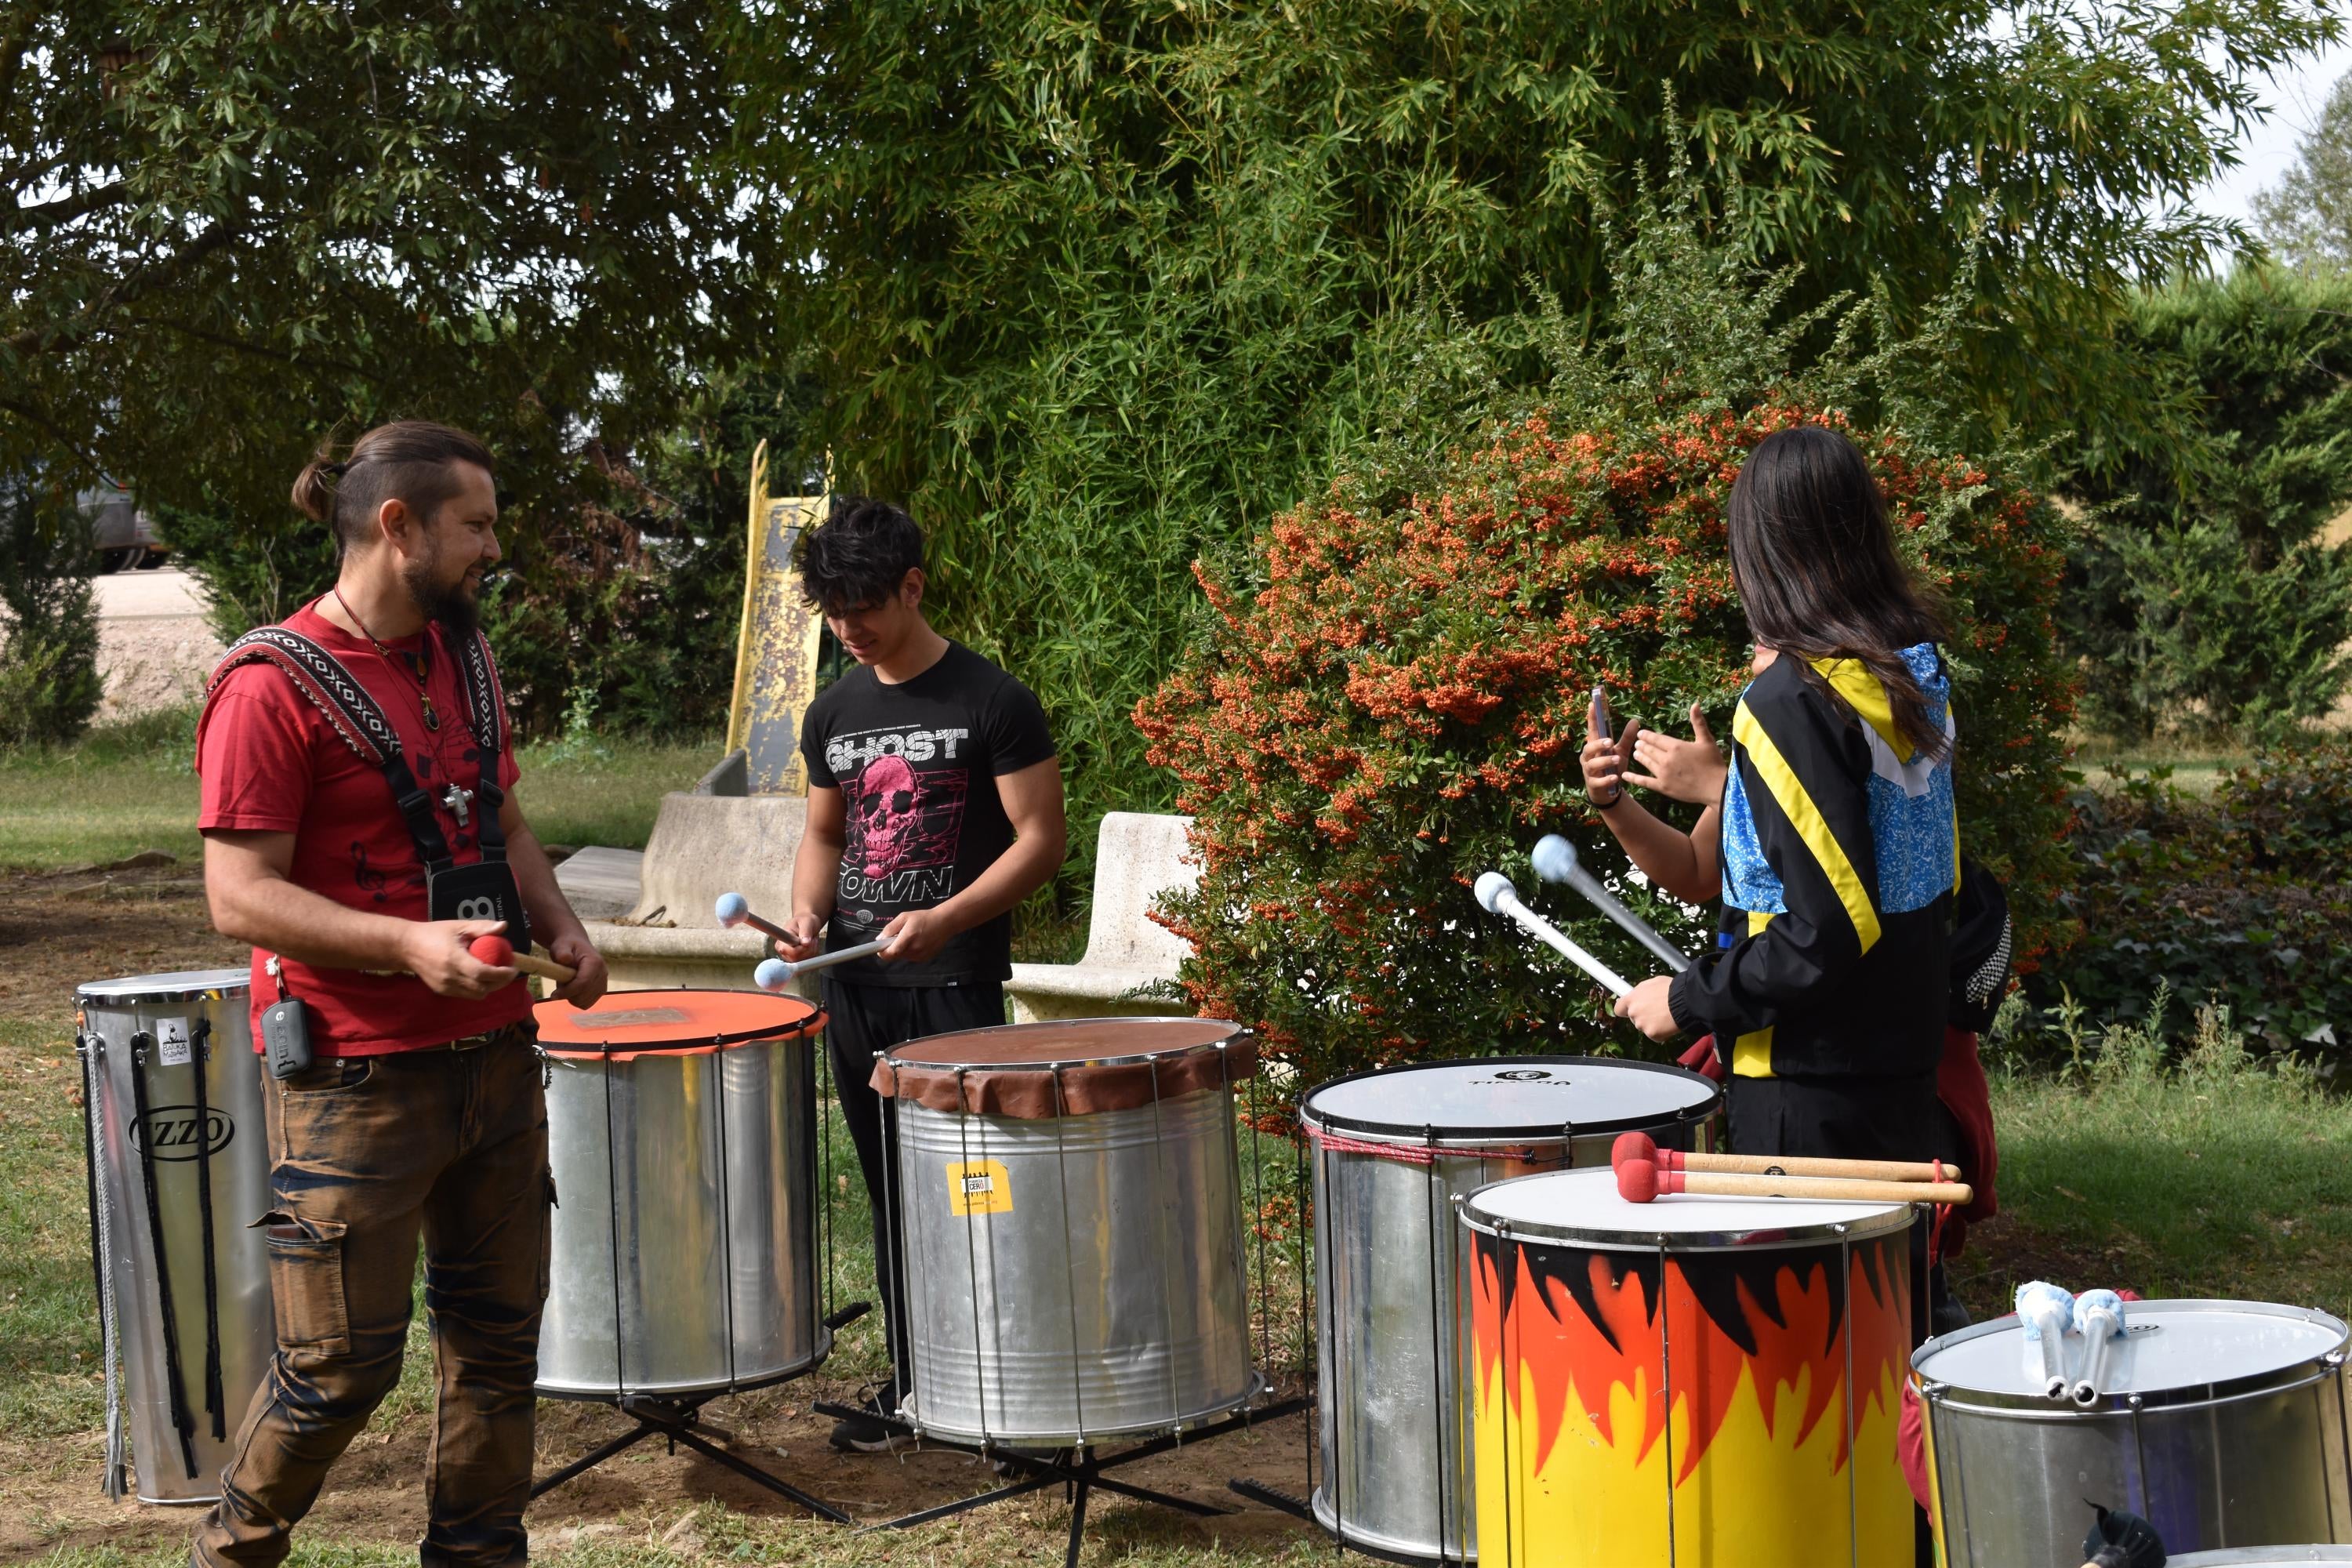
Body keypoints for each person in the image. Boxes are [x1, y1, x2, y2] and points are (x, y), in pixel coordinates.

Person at [191, 421, 608, 1568]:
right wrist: (406, 946)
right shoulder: (267, 687)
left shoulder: (464, 656)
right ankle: (230, 1556)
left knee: (498, 1347)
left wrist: (561, 923)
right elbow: (238, 895)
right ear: (398, 526)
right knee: (339, 1366)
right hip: (353, 1077)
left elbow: (500, 819)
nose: (493, 548)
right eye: (476, 525)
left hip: (496, 1058)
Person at [771, 497, 1067, 1452]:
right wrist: (808, 916)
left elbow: (1042, 841)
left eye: (864, 606)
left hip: (954, 988)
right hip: (856, 987)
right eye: (833, 612)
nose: (848, 628)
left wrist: (945, 919)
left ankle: (998, 1378)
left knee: (972, 1190)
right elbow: (825, 835)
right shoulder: (833, 711)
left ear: (913, 586)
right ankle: (917, 1382)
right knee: (891, 1191)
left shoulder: (993, 698)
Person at [1592, 424, 1957, 1167]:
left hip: (1807, 1083)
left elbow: (1828, 928)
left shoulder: (1789, 701)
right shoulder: (1911, 674)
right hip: (1905, 1064)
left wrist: (1688, 1000)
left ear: (1765, 552)